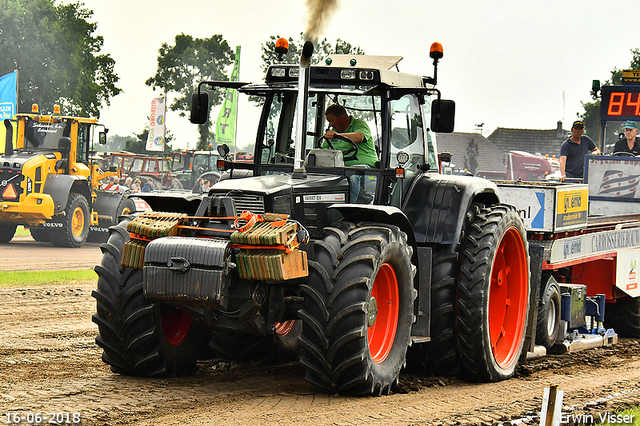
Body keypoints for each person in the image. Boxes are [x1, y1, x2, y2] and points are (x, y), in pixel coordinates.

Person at [323, 104, 378, 203]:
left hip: (364, 170)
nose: (330, 125)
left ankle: (348, 209)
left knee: (352, 176)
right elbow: (322, 151)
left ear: (342, 117)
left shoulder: (359, 124)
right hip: (340, 169)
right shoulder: (332, 133)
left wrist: (338, 136)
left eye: (332, 121)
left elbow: (360, 137)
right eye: (329, 122)